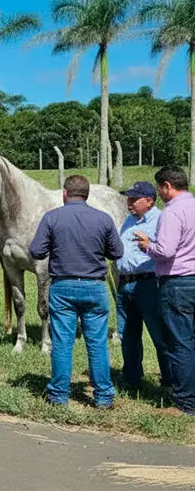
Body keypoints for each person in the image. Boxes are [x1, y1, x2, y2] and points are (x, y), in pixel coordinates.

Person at [29, 174, 123, 409]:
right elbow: (117, 252)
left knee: (62, 342)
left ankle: (59, 395)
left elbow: (36, 251)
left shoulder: (52, 217)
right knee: (97, 343)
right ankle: (103, 396)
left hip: (63, 286)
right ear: (87, 194)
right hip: (95, 286)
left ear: (64, 193)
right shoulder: (103, 218)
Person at [135, 166, 195, 416]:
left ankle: (184, 402)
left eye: (160, 188)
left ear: (168, 185)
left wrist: (148, 246)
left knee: (180, 342)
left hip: (177, 280)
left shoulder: (172, 212)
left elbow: (166, 251)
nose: (159, 192)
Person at [116, 181, 171, 394]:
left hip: (149, 283)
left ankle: (169, 380)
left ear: (149, 201)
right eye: (128, 198)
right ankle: (131, 378)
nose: (129, 202)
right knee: (127, 334)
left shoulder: (161, 220)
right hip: (126, 284)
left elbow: (166, 250)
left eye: (133, 198)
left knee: (160, 335)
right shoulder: (129, 220)